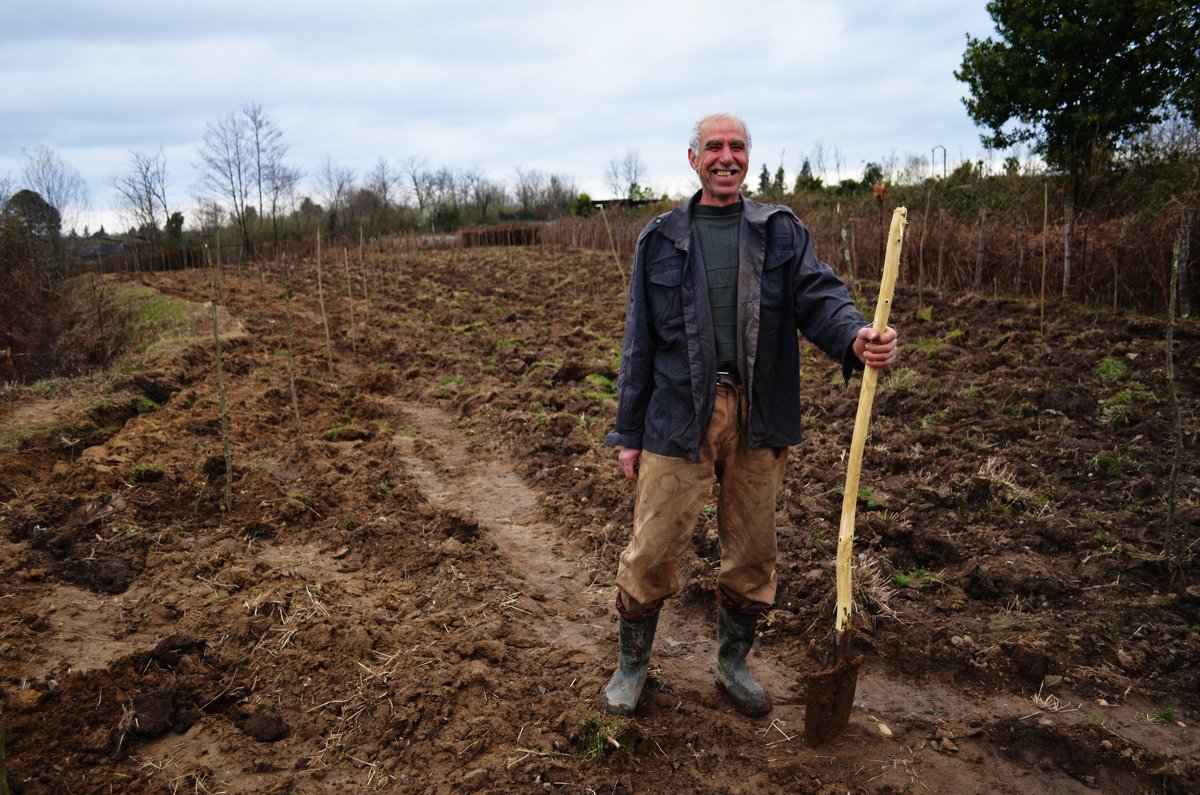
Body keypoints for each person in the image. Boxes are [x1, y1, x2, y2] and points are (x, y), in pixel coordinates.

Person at [601, 112, 899, 717]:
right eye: (714, 147)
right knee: (654, 547)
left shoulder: (780, 231)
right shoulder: (659, 238)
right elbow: (638, 341)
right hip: (676, 414)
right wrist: (628, 433)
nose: (726, 157)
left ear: (748, 157)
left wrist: (855, 337)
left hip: (758, 414)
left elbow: (820, 296)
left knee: (753, 553)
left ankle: (733, 664)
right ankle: (632, 666)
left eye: (737, 147)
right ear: (693, 159)